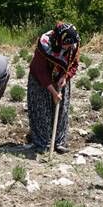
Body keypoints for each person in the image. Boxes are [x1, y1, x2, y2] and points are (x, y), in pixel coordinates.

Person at [27, 22, 80, 153]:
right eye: (66, 44)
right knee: (41, 110)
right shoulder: (45, 44)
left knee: (62, 109)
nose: (69, 47)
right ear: (59, 40)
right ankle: (42, 143)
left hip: (60, 78)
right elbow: (41, 71)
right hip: (40, 79)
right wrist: (53, 92)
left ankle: (58, 142)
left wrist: (65, 77)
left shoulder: (73, 44)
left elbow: (73, 64)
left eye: (70, 45)